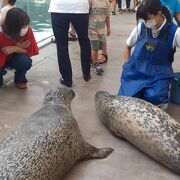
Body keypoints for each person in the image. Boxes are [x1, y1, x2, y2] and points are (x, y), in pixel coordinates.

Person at [118, 0, 180, 110]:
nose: (146, 22)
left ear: (159, 14)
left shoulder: (174, 32)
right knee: (124, 100)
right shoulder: (141, 28)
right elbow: (127, 46)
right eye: (144, 19)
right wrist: (127, 65)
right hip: (136, 71)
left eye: (148, 18)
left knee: (155, 99)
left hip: (159, 74)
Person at [49, 0, 92, 87]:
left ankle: (67, 79)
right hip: (80, 6)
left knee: (61, 44)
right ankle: (86, 74)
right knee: (84, 41)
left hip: (59, 7)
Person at [0, 7, 39, 89]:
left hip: (14, 58)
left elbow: (30, 52)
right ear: (12, 26)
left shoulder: (28, 31)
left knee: (25, 61)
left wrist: (14, 48)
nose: (25, 28)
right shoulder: (1, 33)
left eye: (26, 25)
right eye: (23, 26)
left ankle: (19, 79)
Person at [89, 0, 111, 75]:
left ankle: (94, 58)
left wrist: (108, 28)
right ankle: (95, 64)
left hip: (101, 29)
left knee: (102, 43)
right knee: (95, 46)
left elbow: (107, 17)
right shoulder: (91, 1)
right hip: (91, 29)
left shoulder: (106, 2)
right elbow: (85, 14)